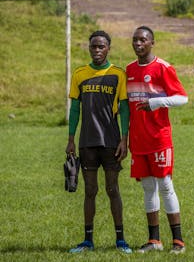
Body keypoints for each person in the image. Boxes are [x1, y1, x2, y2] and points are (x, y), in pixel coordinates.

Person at [66, 30, 132, 254]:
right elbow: (75, 108)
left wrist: (125, 138)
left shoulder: (118, 74)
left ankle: (121, 240)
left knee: (113, 189)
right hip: (87, 142)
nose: (97, 50)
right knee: (90, 191)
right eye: (93, 46)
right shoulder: (79, 74)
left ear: (108, 48)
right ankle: (87, 241)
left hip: (112, 142)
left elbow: (124, 108)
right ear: (89, 48)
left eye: (101, 46)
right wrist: (71, 139)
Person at [126, 26, 188, 254]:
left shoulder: (163, 67)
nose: (138, 44)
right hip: (138, 141)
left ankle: (178, 242)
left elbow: (183, 98)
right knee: (147, 188)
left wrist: (157, 103)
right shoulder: (129, 70)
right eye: (135, 40)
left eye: (143, 40)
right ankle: (154, 241)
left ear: (152, 42)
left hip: (159, 138)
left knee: (165, 186)